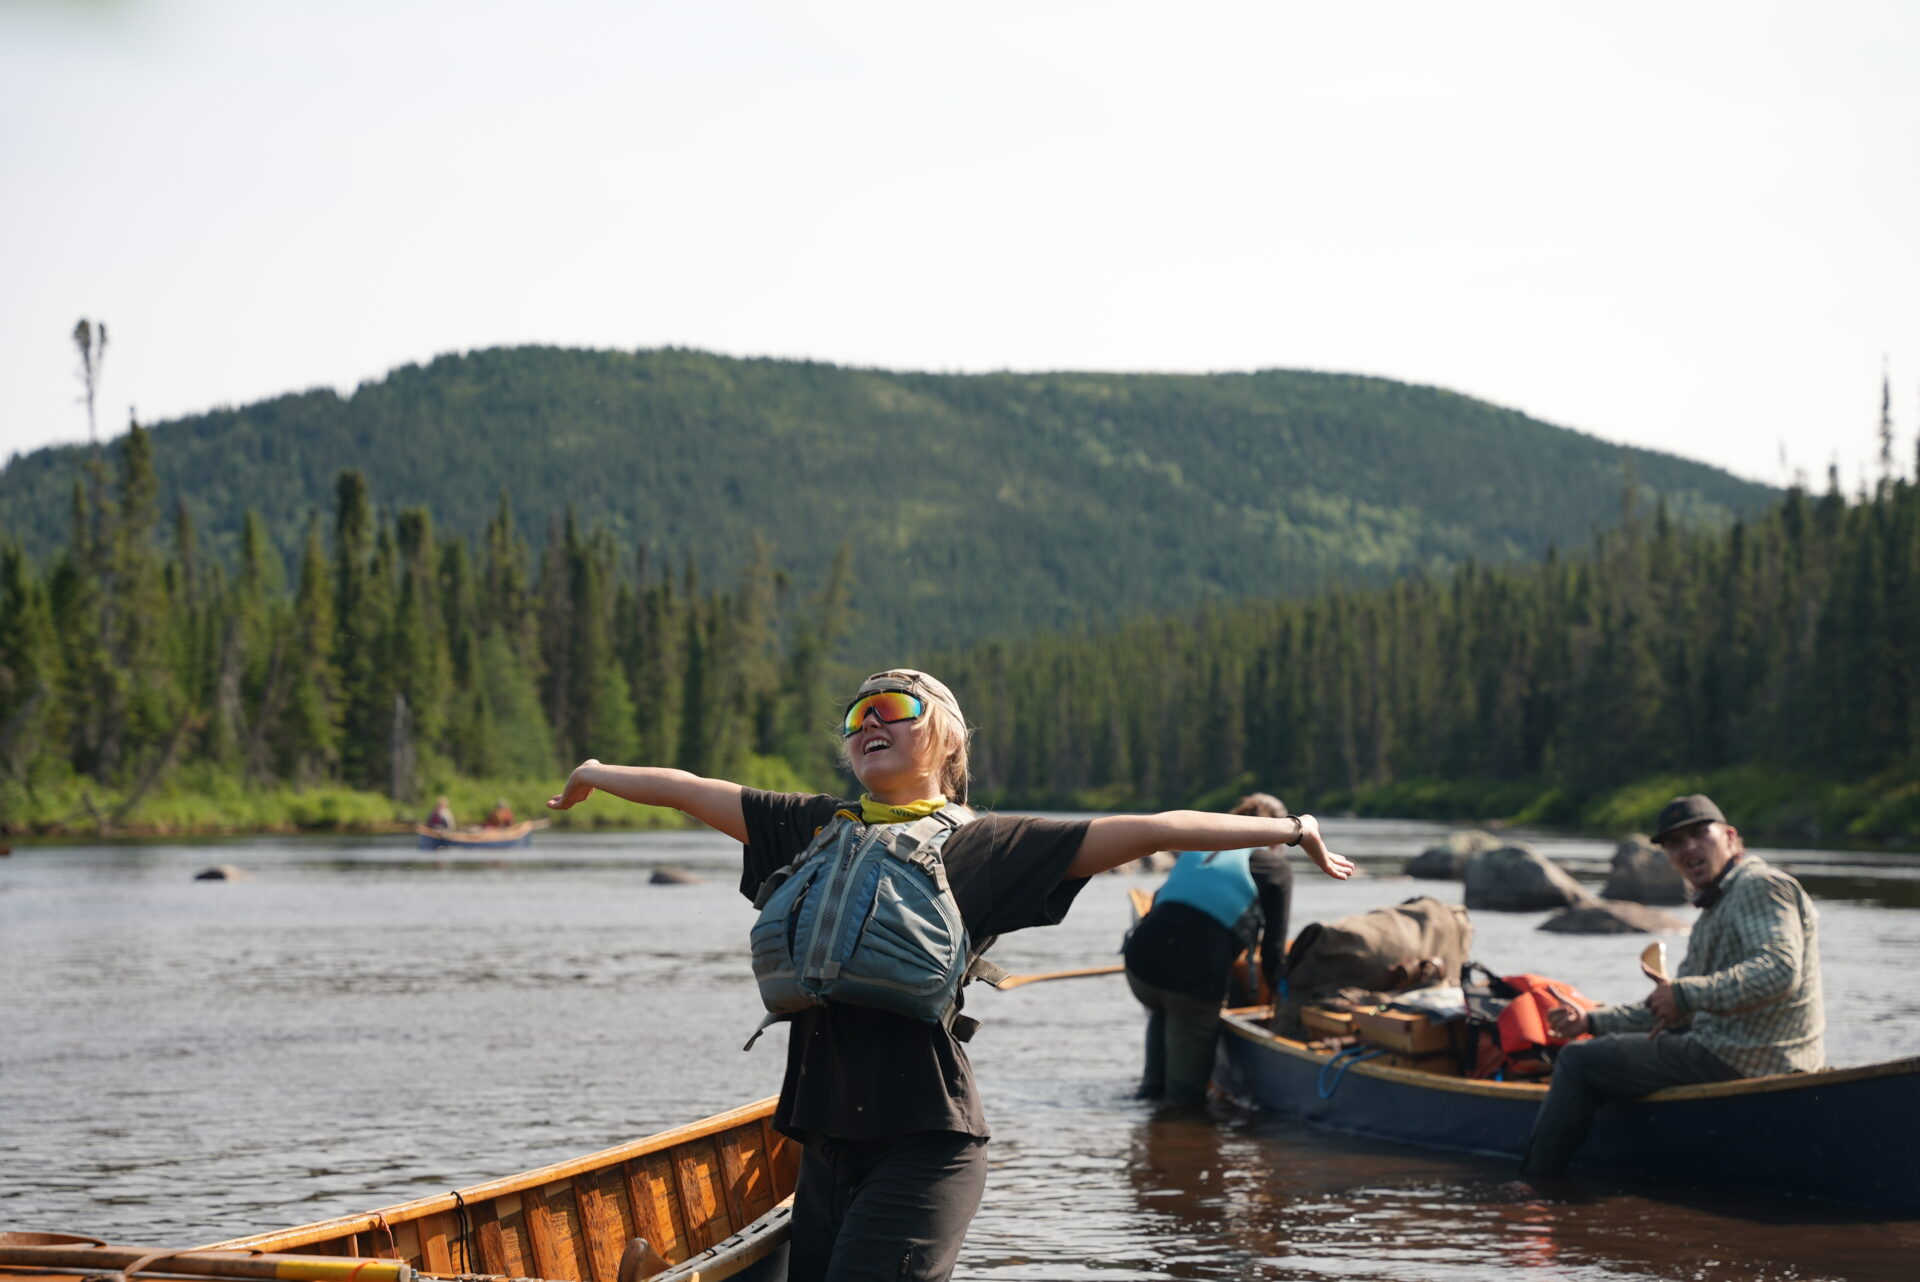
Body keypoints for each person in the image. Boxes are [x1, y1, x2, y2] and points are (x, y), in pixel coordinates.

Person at [548, 668, 1353, 1282]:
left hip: (924, 1146)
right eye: (858, 715)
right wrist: (595, 769)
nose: (869, 723)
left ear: (947, 740)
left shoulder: (987, 847)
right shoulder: (807, 826)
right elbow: (690, 792)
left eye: (894, 709)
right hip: (822, 1146)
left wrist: (1289, 828)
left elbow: (1145, 827)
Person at [1519, 793, 1823, 1178]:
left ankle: (1534, 1190)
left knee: (1579, 1062)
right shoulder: (1717, 908)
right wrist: (1592, 1022)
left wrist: (1685, 994)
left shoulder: (1757, 886)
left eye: (1699, 834)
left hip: (1742, 1057)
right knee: (1595, 1045)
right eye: (1675, 843)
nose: (1688, 848)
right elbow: (1675, 1006)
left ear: (1729, 836)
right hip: (1751, 1054)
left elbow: (1779, 971)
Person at [1122, 791, 1296, 1107]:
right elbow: (1272, 951)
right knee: (1185, 1102)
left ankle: (1147, 1117)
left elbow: (1165, 903)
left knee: (1162, 1023)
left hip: (1140, 965)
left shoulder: (1199, 849)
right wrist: (1284, 1002)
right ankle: (1180, 1139)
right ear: (1278, 834)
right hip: (1192, 978)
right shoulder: (1274, 867)